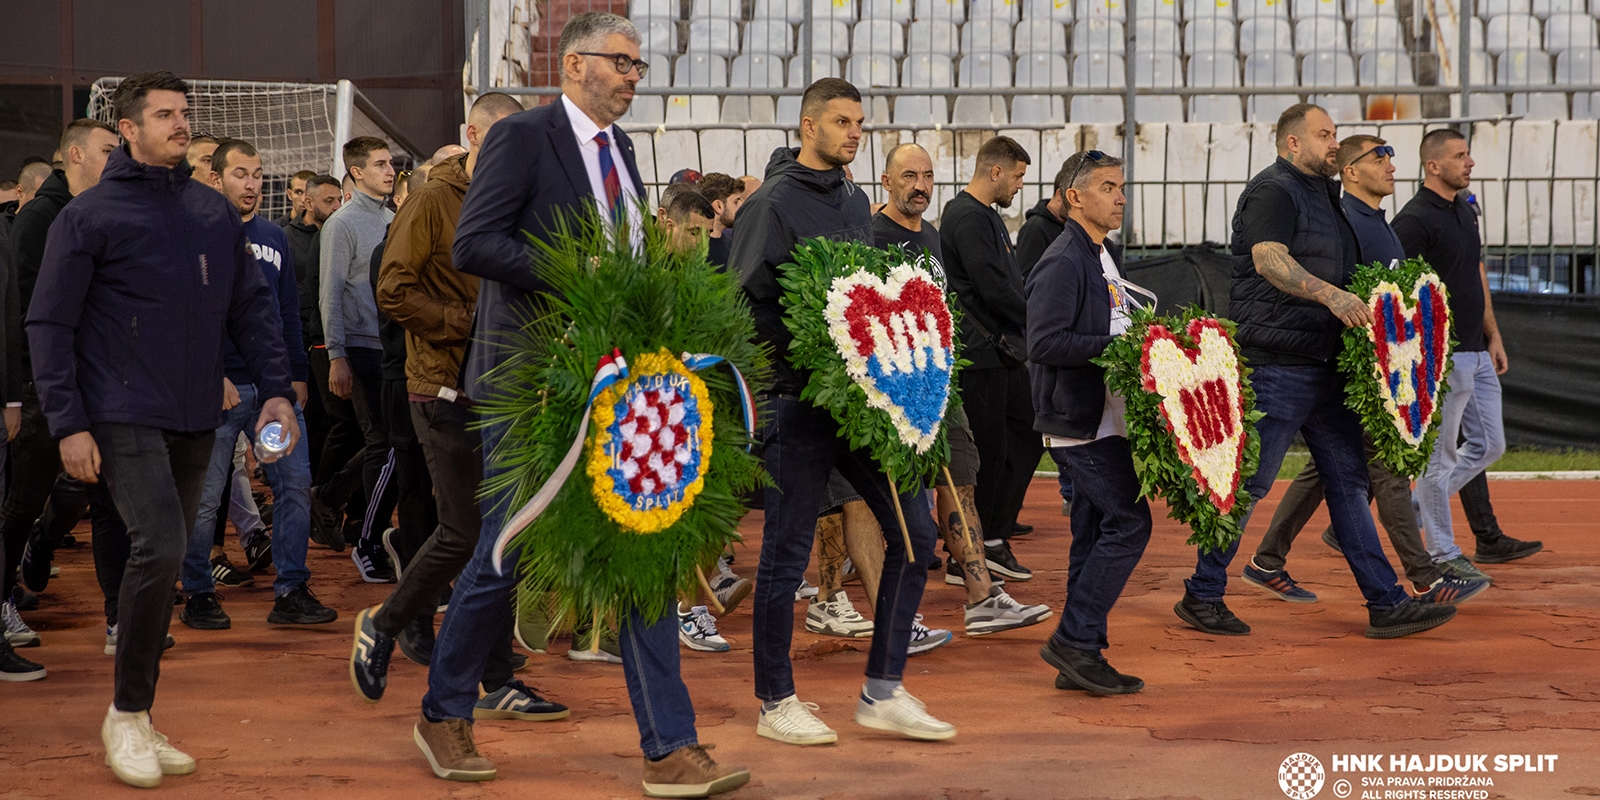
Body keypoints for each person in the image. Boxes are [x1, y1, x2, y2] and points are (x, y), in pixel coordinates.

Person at [427, 14, 749, 796]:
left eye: (640, 64)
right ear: (575, 66)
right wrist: (585, 271)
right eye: (623, 62)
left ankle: (670, 746)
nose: (636, 76)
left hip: (614, 377)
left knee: (644, 547)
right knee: (505, 551)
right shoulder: (523, 137)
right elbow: (475, 243)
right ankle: (443, 710)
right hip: (531, 382)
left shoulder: (624, 151)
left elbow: (624, 253)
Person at [26, 70, 298, 788]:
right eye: (167, 115)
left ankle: (140, 716)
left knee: (166, 553)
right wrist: (68, 424)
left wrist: (276, 392)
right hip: (118, 412)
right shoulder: (87, 216)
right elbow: (49, 324)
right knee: (164, 543)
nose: (182, 124)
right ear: (129, 129)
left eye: (185, 114)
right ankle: (124, 712)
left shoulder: (210, 211)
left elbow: (250, 310)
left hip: (195, 413)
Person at [1179, 104, 1458, 641]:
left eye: (1334, 135)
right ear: (1292, 144)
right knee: (1249, 487)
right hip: (1278, 365)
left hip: (1325, 365)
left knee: (1350, 485)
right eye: (1324, 135)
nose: (1335, 143)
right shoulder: (1273, 192)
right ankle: (1203, 594)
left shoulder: (1324, 195)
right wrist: (1331, 296)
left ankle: (1386, 602)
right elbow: (1268, 259)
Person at [735, 77, 955, 748]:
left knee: (915, 539)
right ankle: (776, 701)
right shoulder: (770, 205)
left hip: (863, 406)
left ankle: (882, 689)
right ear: (808, 127)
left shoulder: (856, 196)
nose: (855, 131)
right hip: (797, 406)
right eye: (841, 121)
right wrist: (812, 352)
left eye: (859, 121)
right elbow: (741, 307)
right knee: (785, 554)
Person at [1243, 135, 1488, 605]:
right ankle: (1425, 577)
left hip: (1379, 365)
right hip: (1363, 369)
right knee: (1387, 468)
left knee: (1331, 470)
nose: (1392, 164)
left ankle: (1268, 559)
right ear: (1351, 171)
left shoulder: (1378, 222)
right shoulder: (1349, 221)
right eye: (1380, 156)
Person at [354, 91, 536, 701]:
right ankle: (385, 623)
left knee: (499, 534)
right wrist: (474, 323)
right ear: (473, 134)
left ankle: (498, 676)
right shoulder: (432, 198)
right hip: (442, 387)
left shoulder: (515, 201)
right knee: (463, 532)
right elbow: (393, 291)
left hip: (505, 389)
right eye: (501, 137)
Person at [870, 142, 1052, 636]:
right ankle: (893, 615)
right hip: (892, 391)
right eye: (909, 176)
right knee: (901, 503)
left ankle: (981, 595)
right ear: (886, 181)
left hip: (941, 381)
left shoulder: (931, 234)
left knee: (964, 480)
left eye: (927, 175)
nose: (920, 185)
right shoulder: (869, 236)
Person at [175, 138, 338, 630]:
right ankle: (198, 590)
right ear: (215, 178)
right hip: (219, 392)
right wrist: (212, 374)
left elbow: (287, 312)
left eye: (258, 174)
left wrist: (293, 378)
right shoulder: (193, 232)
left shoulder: (274, 236)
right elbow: (187, 316)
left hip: (272, 394)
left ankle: (291, 587)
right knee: (205, 498)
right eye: (241, 174)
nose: (251, 184)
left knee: (293, 485)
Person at [1027, 149, 1154, 694]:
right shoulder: (1063, 260)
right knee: (1130, 522)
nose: (1120, 196)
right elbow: (1045, 342)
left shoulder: (1104, 254)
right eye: (1107, 186)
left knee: (1094, 530)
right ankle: (1075, 641)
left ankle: (1083, 655)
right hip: (1078, 423)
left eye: (1121, 186)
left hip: (1104, 418)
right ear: (1075, 197)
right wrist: (1123, 346)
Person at [1394, 129, 1543, 577]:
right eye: (1460, 156)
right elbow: (1401, 292)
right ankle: (1443, 553)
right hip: (1444, 356)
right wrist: (1426, 355)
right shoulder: (1413, 220)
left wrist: (1492, 335)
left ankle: (1412, 508)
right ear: (1433, 166)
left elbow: (1476, 274)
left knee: (1490, 445)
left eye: (1468, 154)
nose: (1470, 162)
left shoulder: (1465, 209)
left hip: (1477, 351)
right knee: (1441, 460)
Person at [4, 118, 123, 656]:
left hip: (92, 382)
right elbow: (29, 312)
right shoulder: (39, 220)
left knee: (105, 502)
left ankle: (121, 619)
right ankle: (4, 600)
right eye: (106, 150)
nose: (115, 159)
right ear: (75, 155)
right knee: (23, 502)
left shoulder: (99, 212)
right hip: (45, 386)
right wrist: (30, 385)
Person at [939, 136, 1037, 582]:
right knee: (986, 454)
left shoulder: (986, 217)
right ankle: (971, 553)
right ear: (995, 172)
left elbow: (1004, 284)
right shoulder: (966, 216)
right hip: (981, 357)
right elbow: (994, 288)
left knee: (1025, 434)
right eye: (1017, 176)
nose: (1019, 186)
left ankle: (994, 536)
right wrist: (1038, 318)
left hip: (999, 354)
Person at [320, 135, 399, 582]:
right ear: (356, 173)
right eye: (380, 164)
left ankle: (339, 506)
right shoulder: (342, 224)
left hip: (387, 347)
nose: (390, 172)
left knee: (388, 445)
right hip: (359, 347)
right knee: (381, 443)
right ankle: (365, 535)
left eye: (391, 164)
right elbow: (329, 292)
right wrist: (336, 355)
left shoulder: (392, 217)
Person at [695, 172, 745, 269]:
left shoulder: (731, 244)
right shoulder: (696, 249)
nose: (741, 205)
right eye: (736, 201)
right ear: (718, 206)